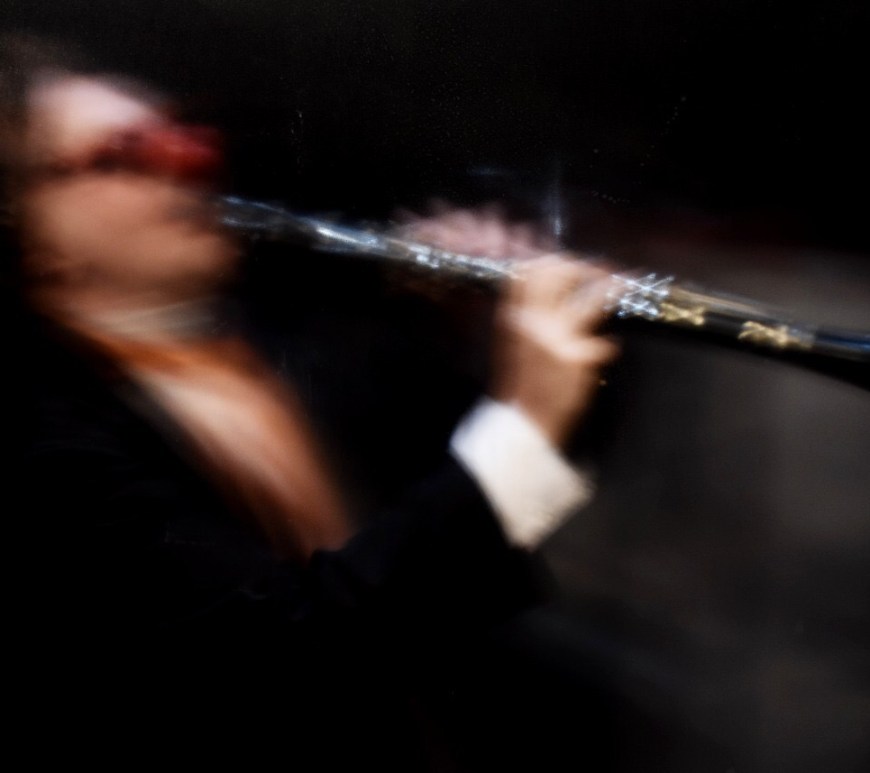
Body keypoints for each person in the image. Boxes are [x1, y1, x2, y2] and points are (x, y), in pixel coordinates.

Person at [2, 41, 618, 770]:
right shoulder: (41, 442)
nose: (192, 160)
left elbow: (485, 503)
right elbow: (287, 661)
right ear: (33, 239)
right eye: (126, 153)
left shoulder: (279, 341)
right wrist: (525, 421)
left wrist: (493, 335)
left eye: (182, 131)